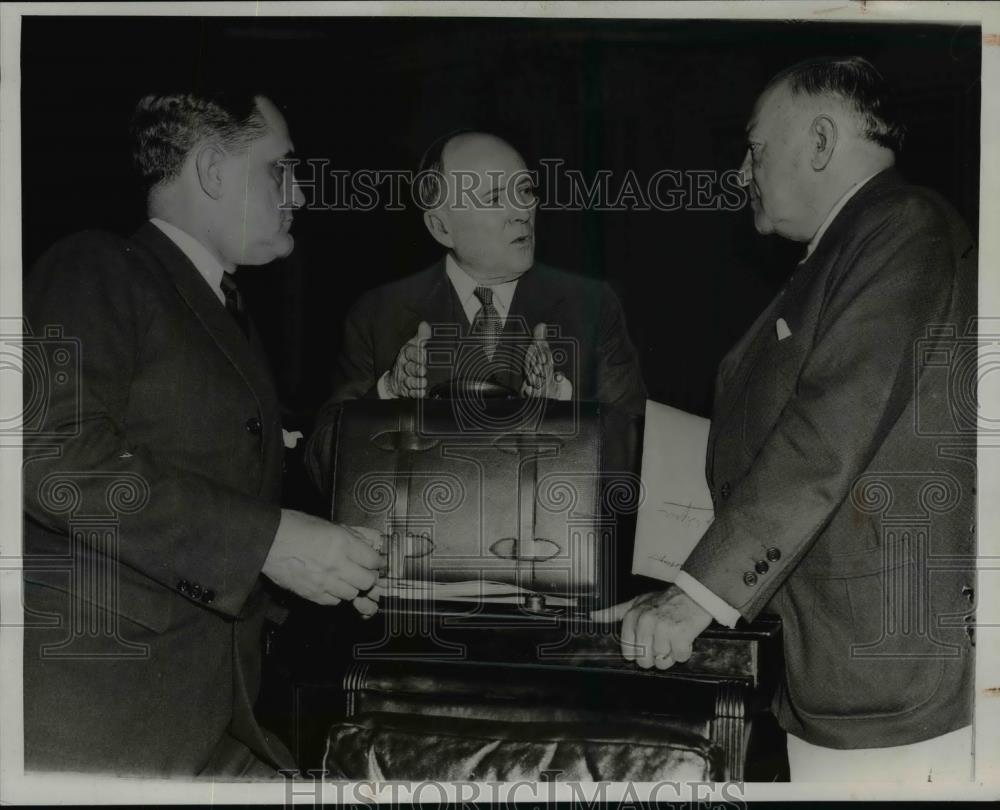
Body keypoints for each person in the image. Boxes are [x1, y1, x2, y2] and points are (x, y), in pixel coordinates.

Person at [595, 57, 977, 781]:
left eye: (755, 147)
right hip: (836, 670)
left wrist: (694, 599)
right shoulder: (841, 252)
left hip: (889, 679)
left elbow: (824, 434)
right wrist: (687, 583)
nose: (743, 171)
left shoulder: (902, 224)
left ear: (823, 143)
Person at [22, 91, 385, 777]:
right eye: (281, 168)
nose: (301, 191)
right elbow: (46, 453)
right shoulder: (96, 265)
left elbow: (214, 496)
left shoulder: (222, 311)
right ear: (215, 170)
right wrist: (271, 541)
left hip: (206, 717)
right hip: (92, 713)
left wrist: (321, 565)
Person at [306, 130, 647, 492]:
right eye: (495, 198)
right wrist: (389, 392)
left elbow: (639, 458)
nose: (521, 212)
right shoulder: (377, 315)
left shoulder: (592, 307)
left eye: (525, 190)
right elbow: (322, 466)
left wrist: (560, 406)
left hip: (548, 544)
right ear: (441, 228)